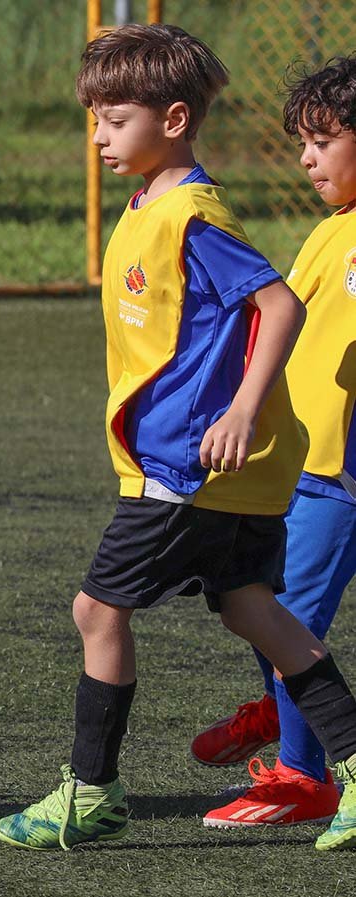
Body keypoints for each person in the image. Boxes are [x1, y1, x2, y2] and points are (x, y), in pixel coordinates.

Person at [0, 24, 356, 852]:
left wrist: (236, 410)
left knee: (96, 609)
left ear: (175, 117)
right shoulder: (152, 203)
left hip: (188, 468)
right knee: (254, 610)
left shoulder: (190, 213)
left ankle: (90, 793)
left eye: (114, 120)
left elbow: (279, 308)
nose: (98, 137)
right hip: (219, 471)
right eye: (92, 119)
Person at [194, 54, 356, 829]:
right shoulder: (331, 233)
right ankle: (280, 712)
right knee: (254, 603)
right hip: (304, 466)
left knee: (285, 613)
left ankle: (302, 771)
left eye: (321, 140)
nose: (304, 158)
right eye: (302, 141)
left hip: (343, 478)